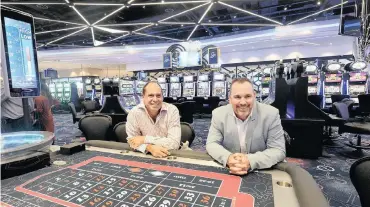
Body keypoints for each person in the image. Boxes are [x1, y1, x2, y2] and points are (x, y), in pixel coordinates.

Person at [206, 78, 285, 175]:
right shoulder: (218, 114)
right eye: (237, 97)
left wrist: (250, 161)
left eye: (247, 96)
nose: (243, 102)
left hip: (260, 171)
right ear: (230, 99)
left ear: (254, 96)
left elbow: (278, 150)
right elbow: (211, 144)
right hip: (230, 169)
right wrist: (228, 158)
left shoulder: (271, 114)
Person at [126, 81, 181, 158]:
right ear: (143, 97)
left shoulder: (172, 110)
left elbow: (174, 144)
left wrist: (144, 139)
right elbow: (132, 142)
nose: (155, 99)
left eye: (158, 95)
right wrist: (149, 148)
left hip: (170, 154)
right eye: (151, 95)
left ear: (162, 97)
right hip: (145, 155)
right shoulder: (134, 113)